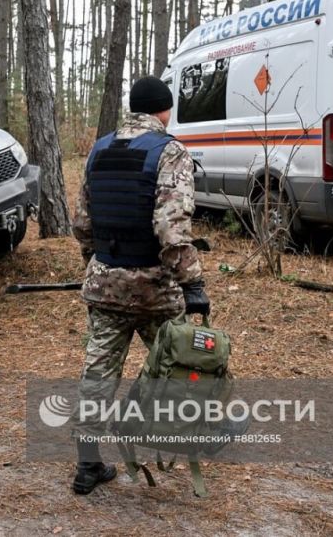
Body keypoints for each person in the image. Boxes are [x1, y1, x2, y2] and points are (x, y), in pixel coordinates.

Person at [70, 75, 208, 494]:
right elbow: (170, 229)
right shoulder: (170, 152)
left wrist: (99, 262)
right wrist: (193, 284)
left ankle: (88, 465)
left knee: (98, 373)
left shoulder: (99, 149)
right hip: (155, 290)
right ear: (164, 110)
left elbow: (82, 222)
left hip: (106, 283)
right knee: (180, 368)